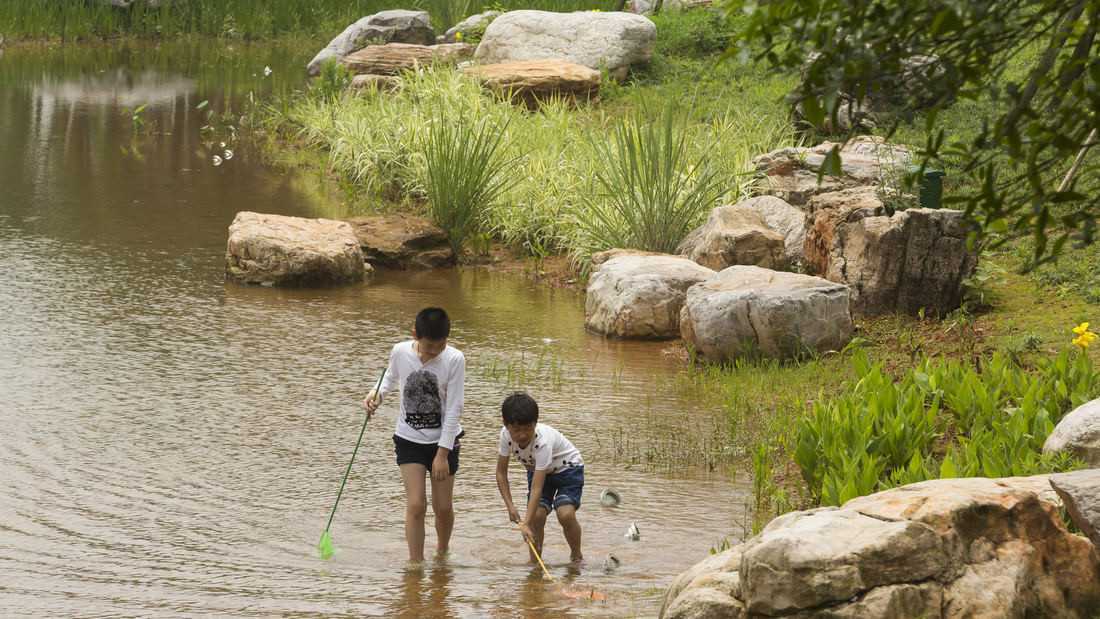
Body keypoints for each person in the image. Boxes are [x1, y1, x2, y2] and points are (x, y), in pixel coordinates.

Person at [364, 307, 465, 563]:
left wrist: (443, 453)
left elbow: (454, 408)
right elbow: (389, 377)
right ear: (415, 336)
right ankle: (415, 564)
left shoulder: (455, 359)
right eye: (429, 346)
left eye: (440, 346)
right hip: (408, 439)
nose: (434, 352)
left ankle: (442, 552)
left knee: (442, 508)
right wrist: (376, 394)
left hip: (443, 440)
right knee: (416, 505)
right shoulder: (400, 351)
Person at [495, 392, 584, 563]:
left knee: (565, 514)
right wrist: (510, 506)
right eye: (516, 430)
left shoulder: (542, 442)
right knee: (537, 516)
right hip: (538, 470)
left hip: (568, 469)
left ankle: (576, 556)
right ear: (506, 425)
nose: (522, 435)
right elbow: (500, 473)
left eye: (527, 428)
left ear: (535, 423)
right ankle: (535, 564)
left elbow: (537, 487)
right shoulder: (505, 436)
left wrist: (525, 524)